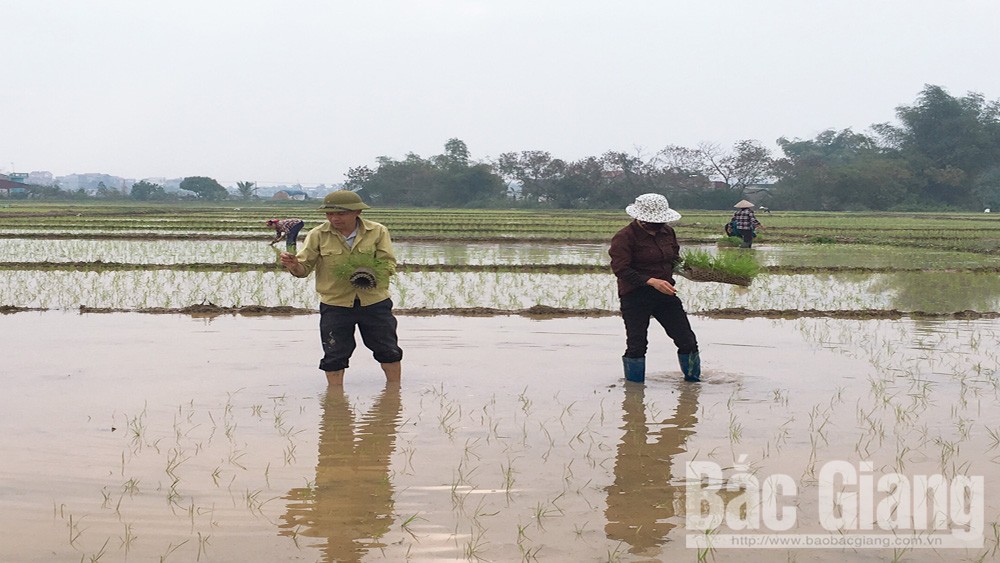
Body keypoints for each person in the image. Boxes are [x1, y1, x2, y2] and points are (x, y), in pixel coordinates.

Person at [279, 191, 403, 385]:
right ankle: (335, 400)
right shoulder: (318, 235)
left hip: (374, 301)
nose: (334, 218)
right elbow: (304, 269)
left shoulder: (377, 231)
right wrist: (293, 264)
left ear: (357, 211)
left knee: (388, 350)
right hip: (335, 304)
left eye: (341, 213)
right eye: (329, 214)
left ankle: (394, 391)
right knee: (334, 354)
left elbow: (388, 263)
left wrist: (371, 273)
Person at [609, 193, 700, 383]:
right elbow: (621, 269)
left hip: (665, 293)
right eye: (654, 222)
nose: (659, 226)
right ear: (640, 218)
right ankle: (634, 392)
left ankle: (693, 383)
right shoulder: (625, 237)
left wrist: (697, 270)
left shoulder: (668, 233)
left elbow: (674, 259)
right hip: (635, 294)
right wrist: (651, 281)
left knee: (687, 340)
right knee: (637, 344)